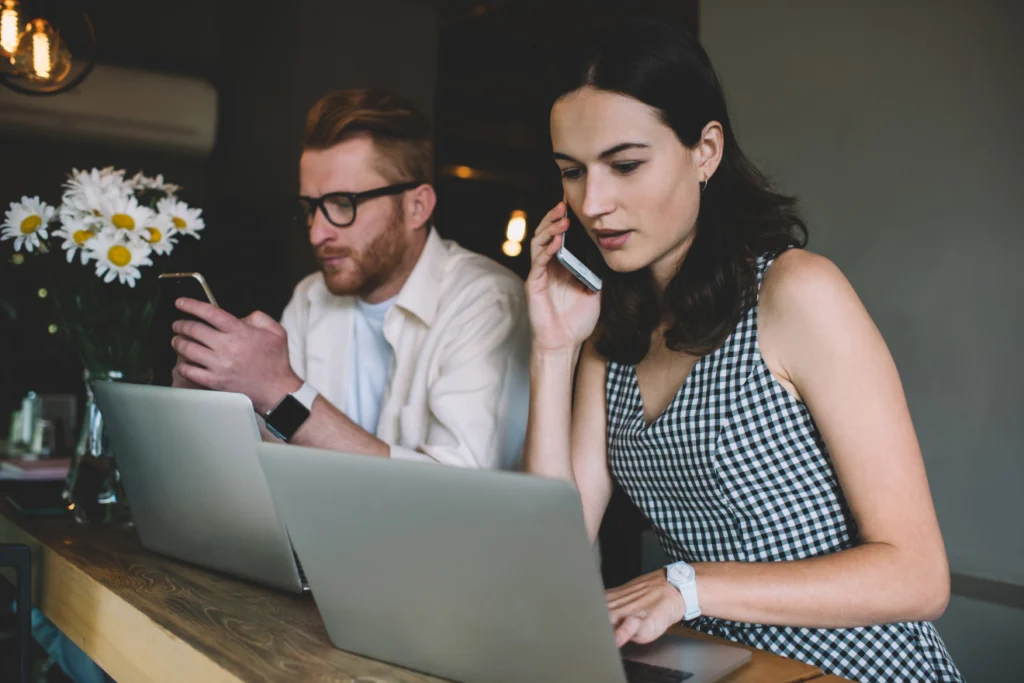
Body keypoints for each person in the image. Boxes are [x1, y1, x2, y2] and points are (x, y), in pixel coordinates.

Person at [523, 18, 962, 682]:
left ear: (705, 150)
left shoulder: (796, 292)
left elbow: (920, 574)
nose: (594, 202)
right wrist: (551, 348)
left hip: (854, 666)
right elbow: (546, 560)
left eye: (625, 164)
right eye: (571, 172)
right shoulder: (607, 340)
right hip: (715, 667)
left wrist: (690, 584)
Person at [171, 88, 529, 469]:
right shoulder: (311, 297)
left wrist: (280, 391)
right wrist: (221, 400)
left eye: (343, 204)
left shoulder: (487, 302)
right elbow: (276, 452)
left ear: (417, 206)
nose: (316, 233)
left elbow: (458, 491)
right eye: (310, 208)